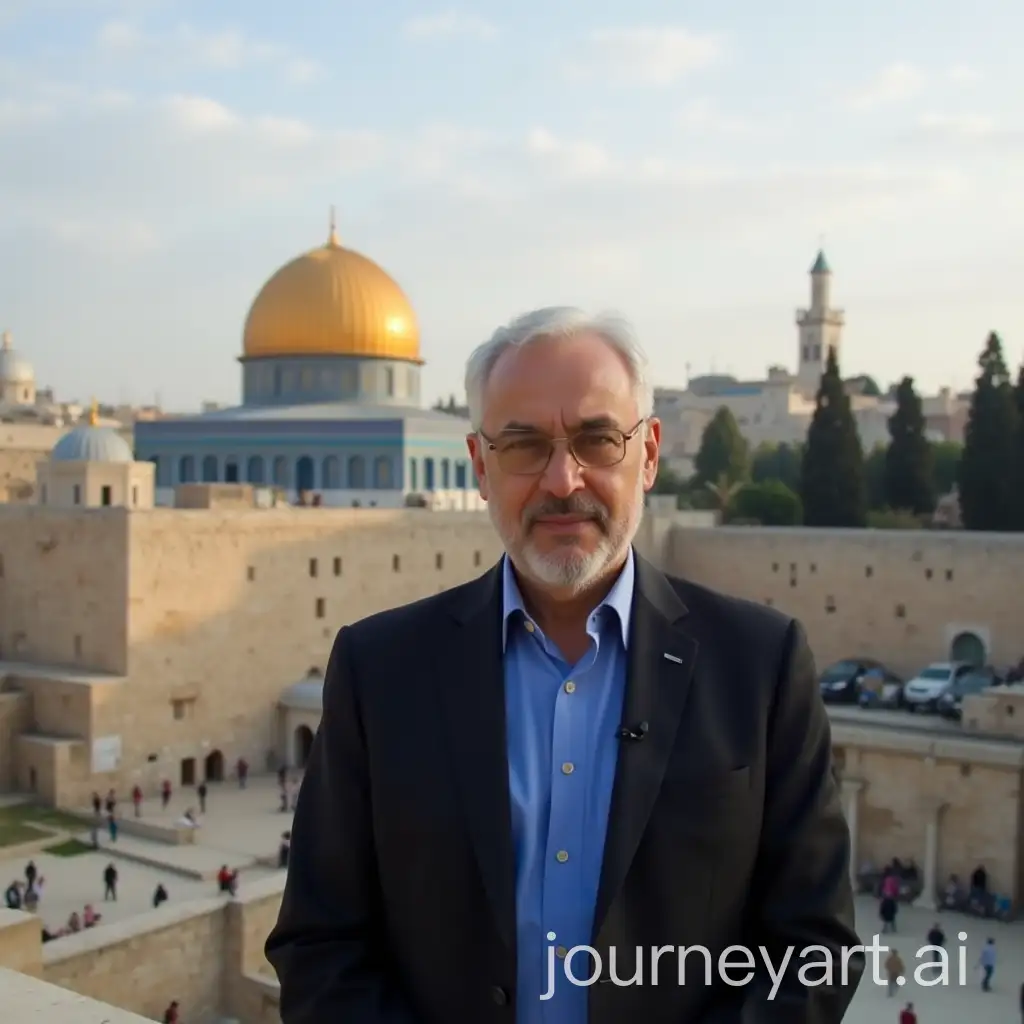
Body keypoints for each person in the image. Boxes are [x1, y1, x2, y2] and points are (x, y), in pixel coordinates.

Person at [265, 307, 863, 1023]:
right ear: (480, 466)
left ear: (647, 455)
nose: (561, 479)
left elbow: (814, 950)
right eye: (523, 445)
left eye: (596, 439)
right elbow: (320, 945)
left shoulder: (759, 668)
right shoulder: (380, 671)